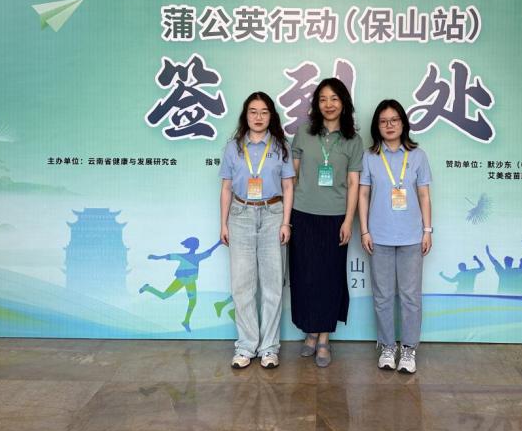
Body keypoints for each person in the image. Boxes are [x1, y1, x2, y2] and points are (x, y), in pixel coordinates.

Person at [288, 77, 364, 368]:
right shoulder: (304, 133)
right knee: (305, 276)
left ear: (343, 103)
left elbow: (354, 183)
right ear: (316, 104)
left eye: (334, 98)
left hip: (335, 218)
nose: (328, 104)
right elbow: (292, 176)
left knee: (329, 278)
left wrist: (348, 220)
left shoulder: (353, 140)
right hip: (303, 214)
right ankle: (309, 331)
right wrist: (287, 216)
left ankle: (323, 338)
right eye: (322, 99)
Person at [219, 92, 294, 369]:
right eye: (253, 111)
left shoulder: (281, 147)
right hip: (240, 215)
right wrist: (223, 223)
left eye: (264, 112)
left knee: (273, 285)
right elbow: (226, 188)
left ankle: (269, 348)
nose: (258, 117)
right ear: (245, 115)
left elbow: (288, 187)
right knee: (242, 285)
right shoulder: (233, 148)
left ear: (271, 116)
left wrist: (286, 222)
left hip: (273, 214)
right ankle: (246, 346)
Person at [358, 99, 433, 374]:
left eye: (394, 120)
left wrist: (427, 230)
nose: (389, 125)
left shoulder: (418, 156)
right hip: (379, 236)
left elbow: (424, 195)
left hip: (412, 236)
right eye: (383, 121)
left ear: (403, 123)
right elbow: (363, 194)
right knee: (383, 296)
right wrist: (364, 230)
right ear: (376, 126)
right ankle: (388, 347)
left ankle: (409, 349)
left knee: (410, 296)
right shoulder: (369, 157)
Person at [140, 236, 222, 333]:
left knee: (193, 301)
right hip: (181, 280)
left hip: (190, 282)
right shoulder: (186, 256)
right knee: (164, 296)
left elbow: (209, 251)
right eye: (196, 244)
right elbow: (169, 256)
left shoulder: (197, 257)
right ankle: (148, 288)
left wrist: (219, 243)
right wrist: (156, 257)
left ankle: (186, 321)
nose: (197, 245)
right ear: (193, 246)